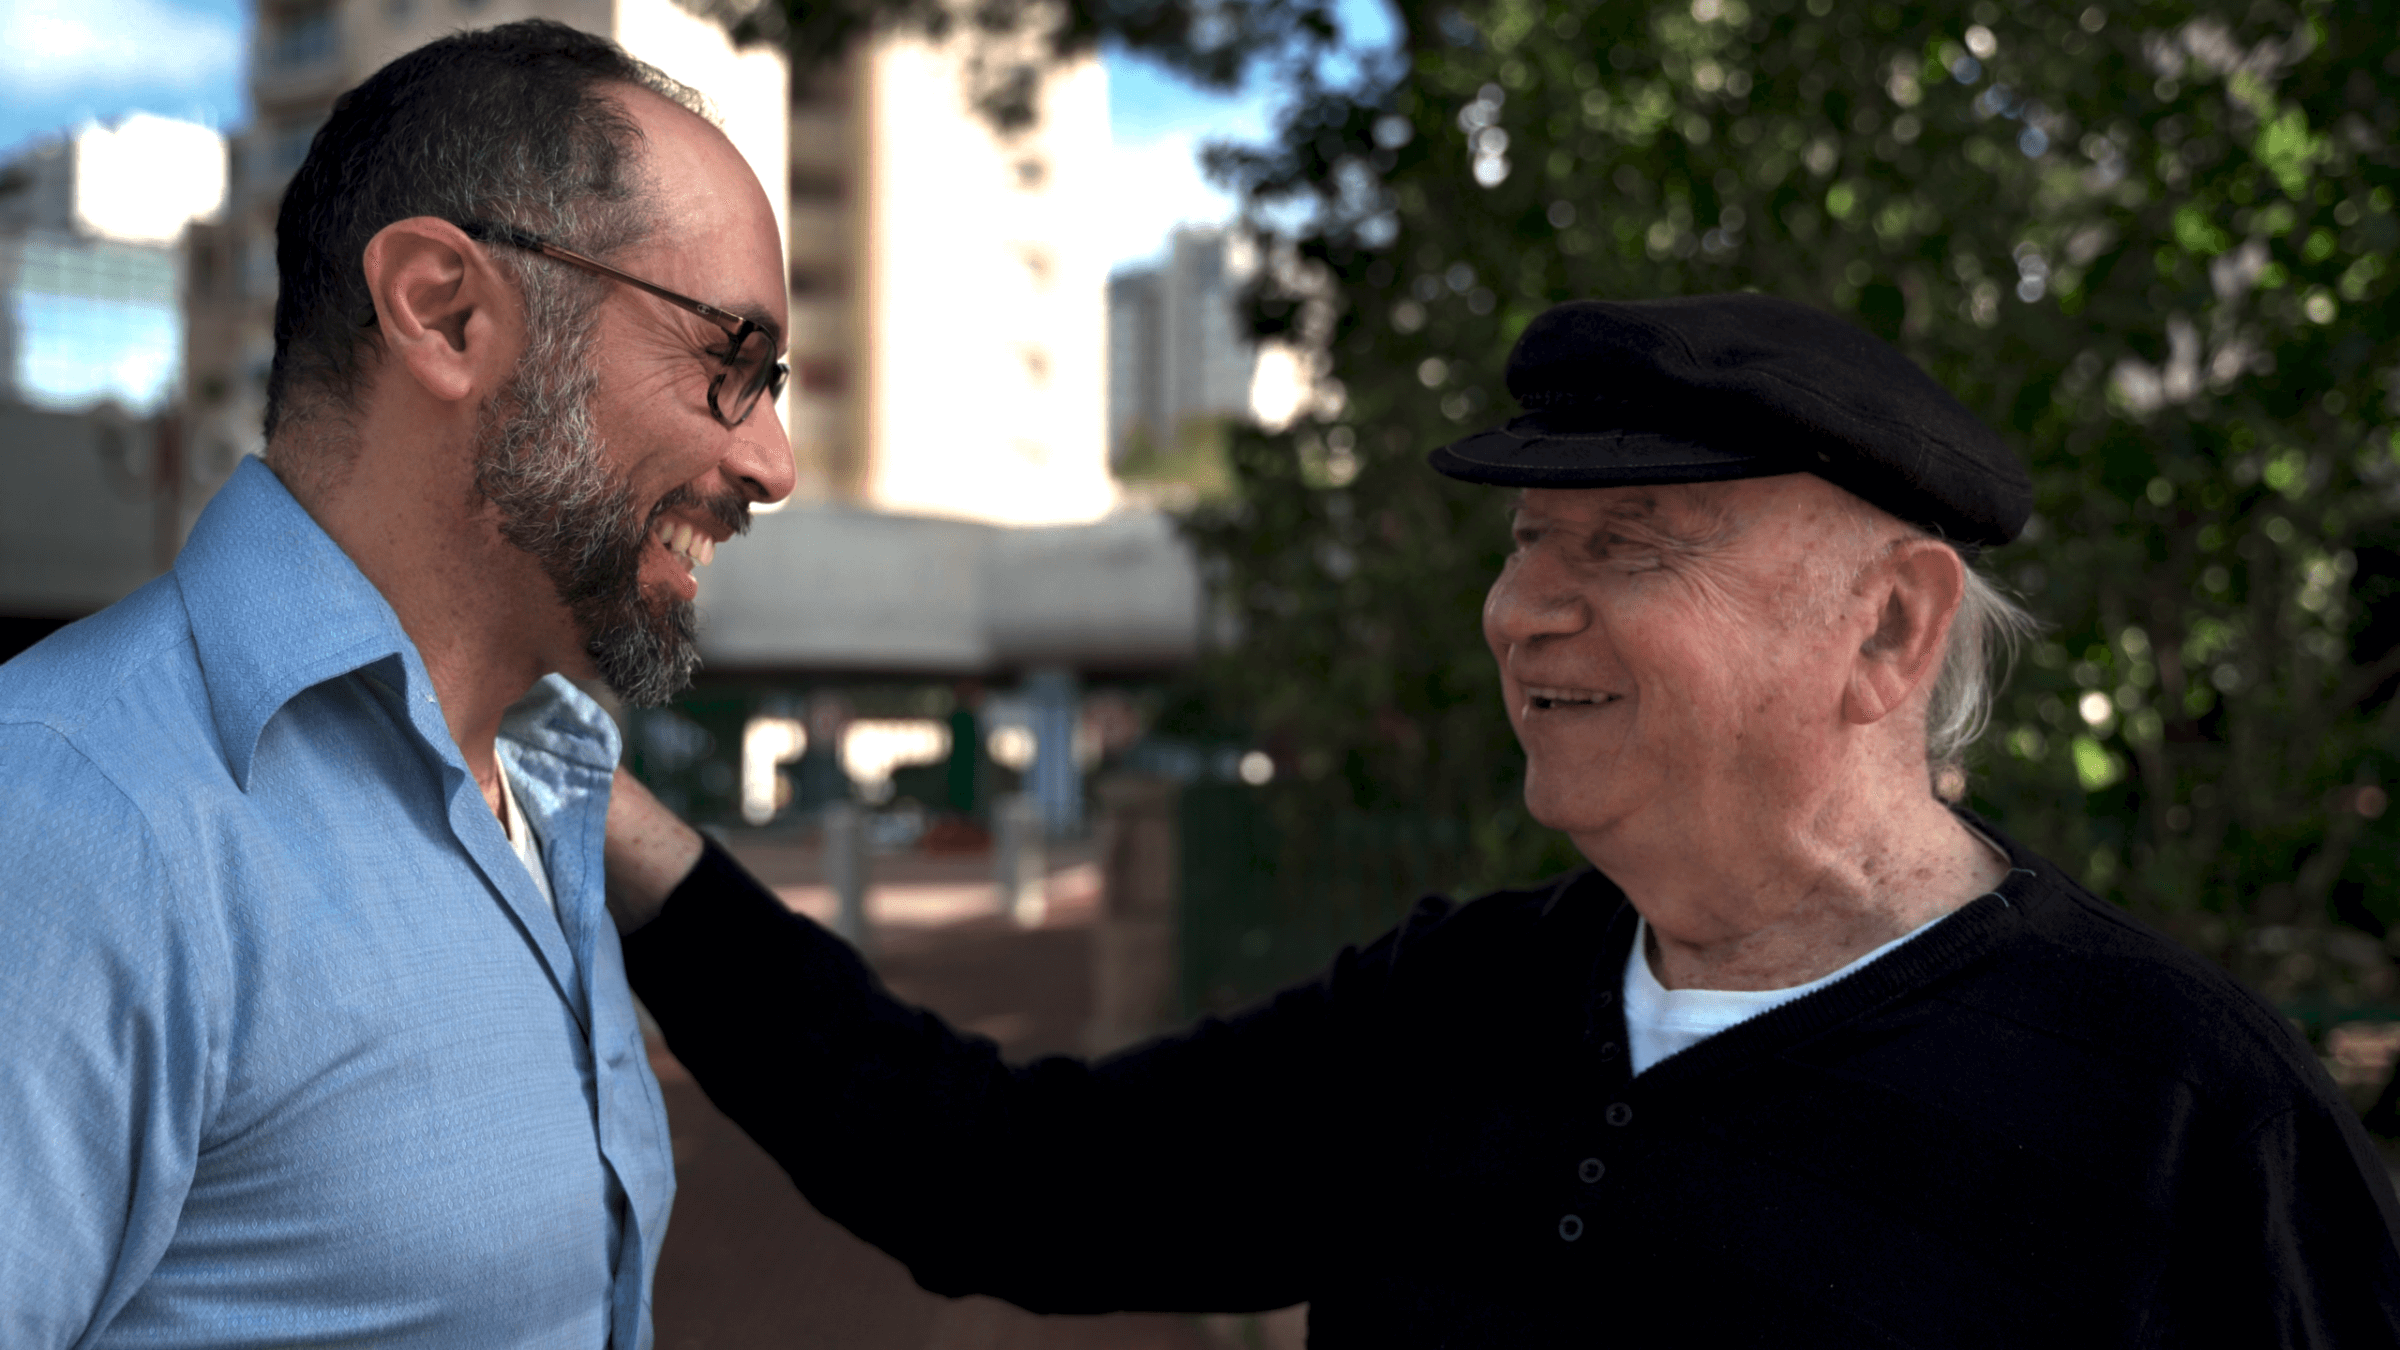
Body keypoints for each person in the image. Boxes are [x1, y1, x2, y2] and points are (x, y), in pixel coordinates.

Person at [603, 295, 2400, 1345]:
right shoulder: (1456, 1006)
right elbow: (1005, 1182)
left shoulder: (2187, 1120)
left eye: (1627, 550)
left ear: (1888, 628)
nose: (1525, 609)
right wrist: (635, 849)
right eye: (1526, 543)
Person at [0, 21, 793, 1347]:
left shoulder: (549, 784)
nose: (772, 460)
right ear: (446, 309)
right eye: (730, 363)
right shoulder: (75, 819)